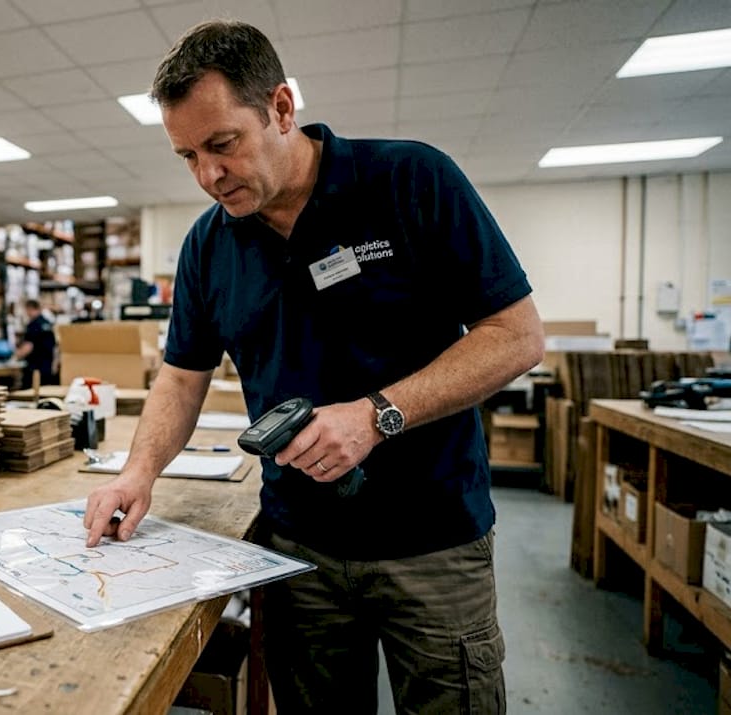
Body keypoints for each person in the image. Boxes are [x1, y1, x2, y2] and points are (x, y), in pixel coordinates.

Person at [82, 19, 544, 714]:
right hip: (297, 548)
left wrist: (377, 416)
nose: (208, 175)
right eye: (187, 156)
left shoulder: (410, 180)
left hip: (433, 541)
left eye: (222, 145)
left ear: (281, 108)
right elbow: (181, 375)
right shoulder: (208, 246)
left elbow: (516, 335)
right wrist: (137, 471)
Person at [14, 299, 58, 389]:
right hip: (47, 368)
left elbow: (28, 346)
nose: (27, 314)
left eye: (27, 310)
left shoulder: (33, 325)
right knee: (45, 392)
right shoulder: (48, 324)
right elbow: (55, 347)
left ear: (30, 309)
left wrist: (15, 356)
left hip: (35, 369)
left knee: (30, 393)